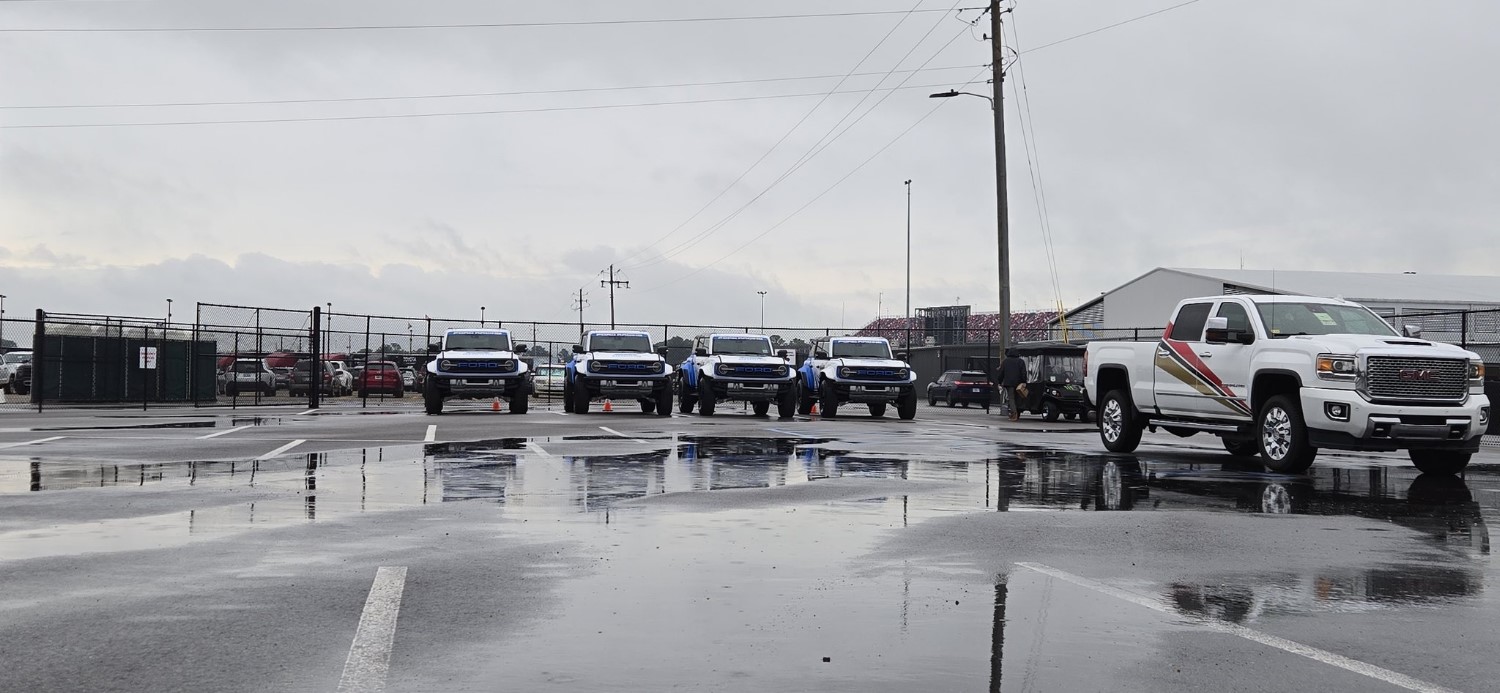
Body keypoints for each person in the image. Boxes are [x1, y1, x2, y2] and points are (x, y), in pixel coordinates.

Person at [998, 348, 1027, 421]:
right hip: (1019, 383)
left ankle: (1014, 414)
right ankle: (1017, 413)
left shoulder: (1005, 361)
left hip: (1009, 383)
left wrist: (999, 382)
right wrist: (1024, 381)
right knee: (1018, 398)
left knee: (1011, 398)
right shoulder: (1021, 361)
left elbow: (1001, 373)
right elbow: (1024, 372)